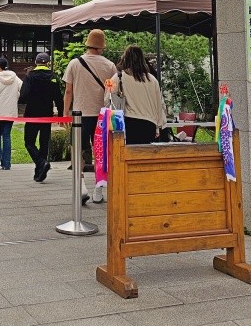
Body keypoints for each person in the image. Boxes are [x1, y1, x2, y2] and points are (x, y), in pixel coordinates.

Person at [63, 29, 116, 202]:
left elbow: (68, 91)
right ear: (102, 46)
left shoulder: (74, 63)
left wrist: (65, 112)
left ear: (87, 43)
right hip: (102, 115)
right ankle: (99, 191)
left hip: (80, 115)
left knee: (78, 149)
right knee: (100, 152)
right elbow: (111, 91)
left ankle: (81, 186)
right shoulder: (110, 66)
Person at [20, 52, 63, 183]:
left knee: (29, 142)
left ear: (36, 62)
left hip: (32, 114)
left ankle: (41, 163)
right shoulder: (53, 77)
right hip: (47, 114)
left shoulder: (30, 76)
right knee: (44, 143)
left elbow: (23, 96)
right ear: (48, 62)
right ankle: (40, 171)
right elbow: (59, 98)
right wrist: (60, 114)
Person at [109, 45, 166, 146]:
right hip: (149, 125)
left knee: (129, 156)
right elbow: (159, 103)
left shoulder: (119, 77)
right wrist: (158, 126)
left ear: (125, 59)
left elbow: (108, 99)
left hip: (129, 123)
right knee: (144, 156)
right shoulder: (152, 79)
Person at [0, 57, 21, 170]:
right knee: (6, 136)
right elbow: (22, 89)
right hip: (11, 112)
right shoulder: (15, 78)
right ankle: (6, 163)